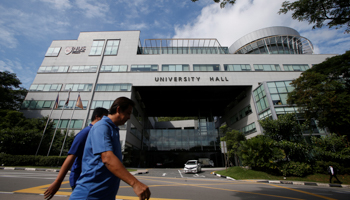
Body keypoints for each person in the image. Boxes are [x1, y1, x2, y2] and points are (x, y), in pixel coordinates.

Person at [69, 97, 151, 200]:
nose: (129, 117)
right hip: (89, 195)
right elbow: (107, 158)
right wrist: (135, 183)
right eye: (128, 113)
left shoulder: (113, 129)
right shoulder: (102, 127)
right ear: (118, 110)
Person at [44, 107, 109, 200]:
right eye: (105, 117)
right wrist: (58, 181)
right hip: (80, 180)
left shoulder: (97, 133)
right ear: (97, 117)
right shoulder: (85, 133)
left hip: (92, 180)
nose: (107, 120)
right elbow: (71, 157)